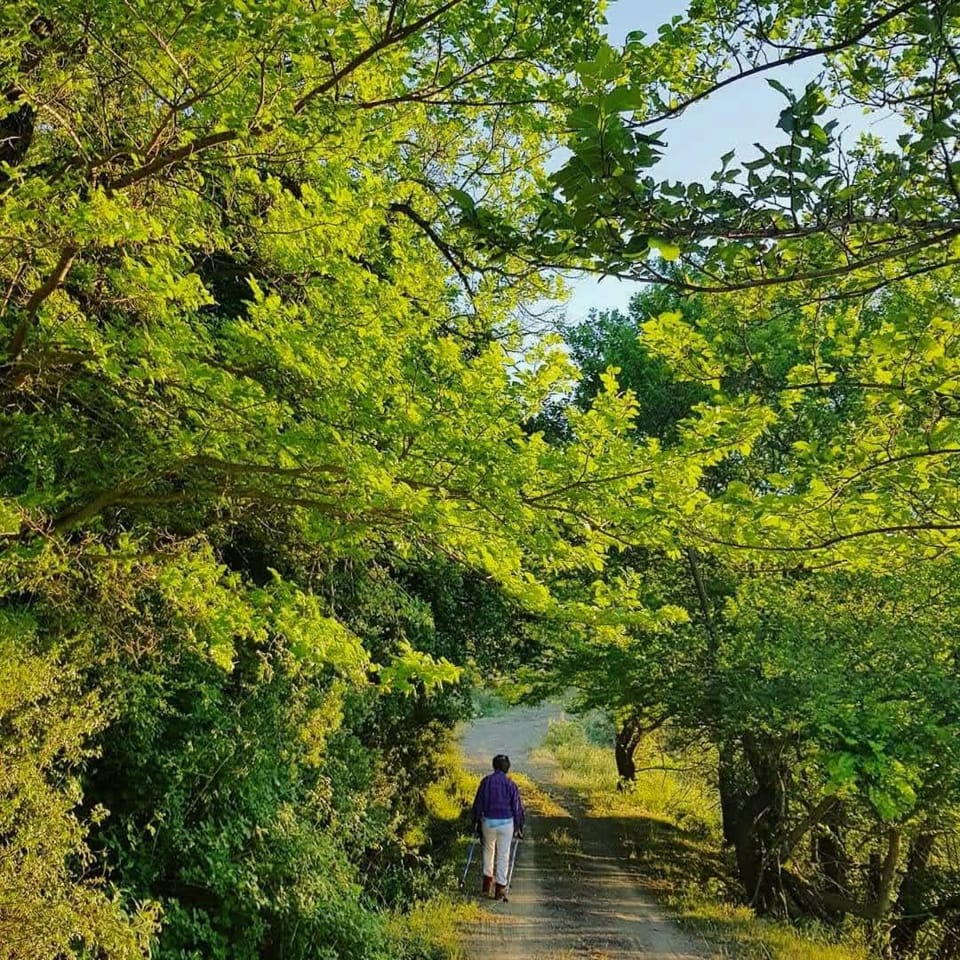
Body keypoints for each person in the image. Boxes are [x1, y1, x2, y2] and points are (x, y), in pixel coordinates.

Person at [471, 753, 524, 901]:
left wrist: (475, 822)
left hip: (488, 822)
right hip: (506, 823)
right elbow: (517, 808)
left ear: (494, 766)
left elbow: (478, 804)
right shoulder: (510, 784)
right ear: (507, 768)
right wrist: (519, 826)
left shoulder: (486, 782)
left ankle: (486, 885)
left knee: (488, 850)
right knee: (503, 854)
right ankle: (500, 888)